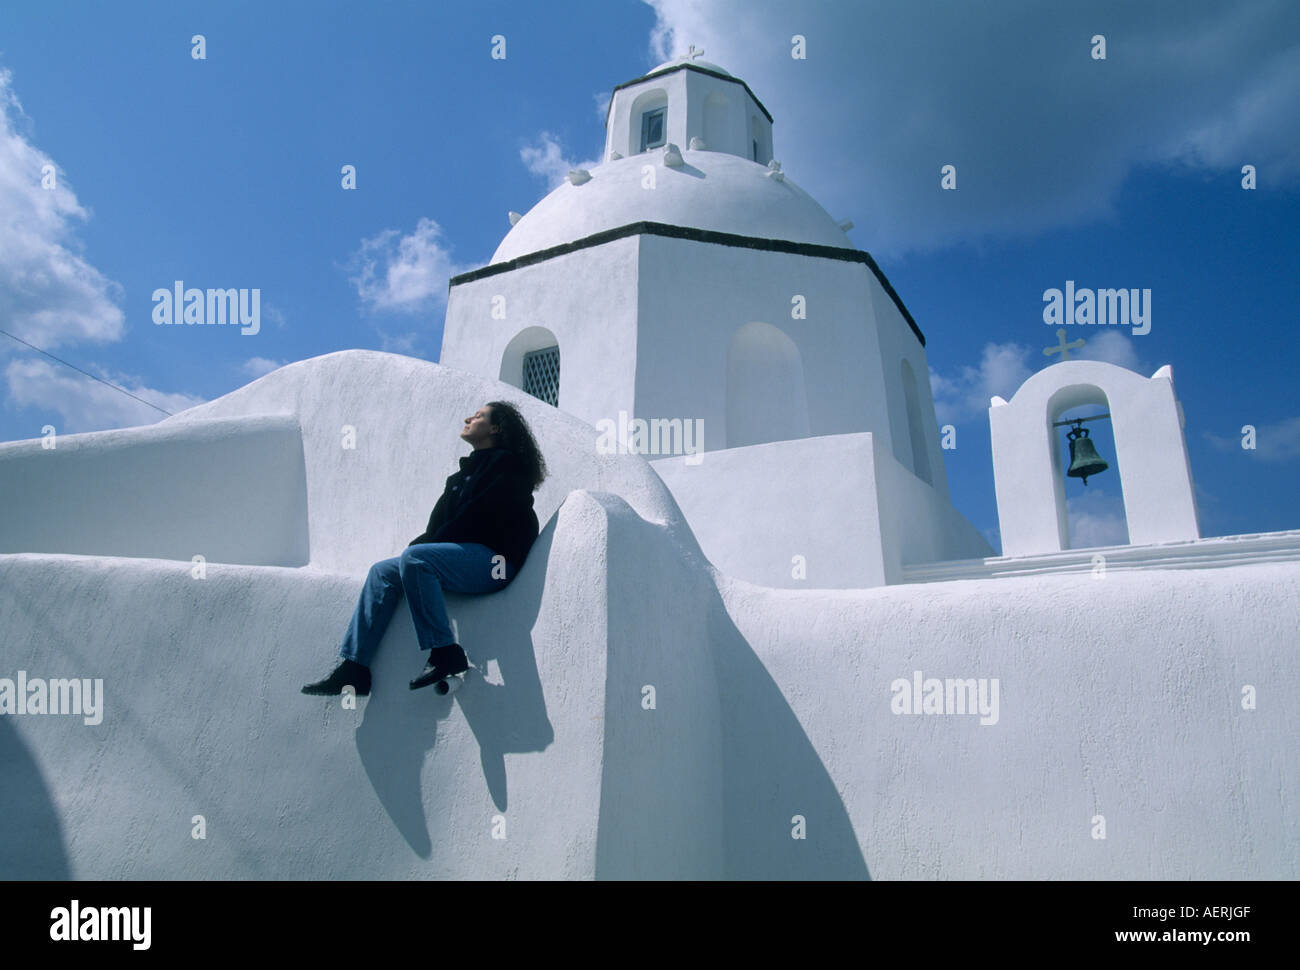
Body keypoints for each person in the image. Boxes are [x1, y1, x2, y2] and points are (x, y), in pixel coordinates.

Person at [302, 400, 546, 696]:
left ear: (495, 428)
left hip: (496, 563)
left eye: (479, 416)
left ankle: (445, 652)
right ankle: (354, 669)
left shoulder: (509, 469)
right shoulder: (460, 476)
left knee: (417, 559)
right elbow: (437, 527)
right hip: (461, 556)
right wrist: (416, 550)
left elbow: (477, 518)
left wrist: (421, 550)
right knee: (383, 571)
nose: (469, 418)